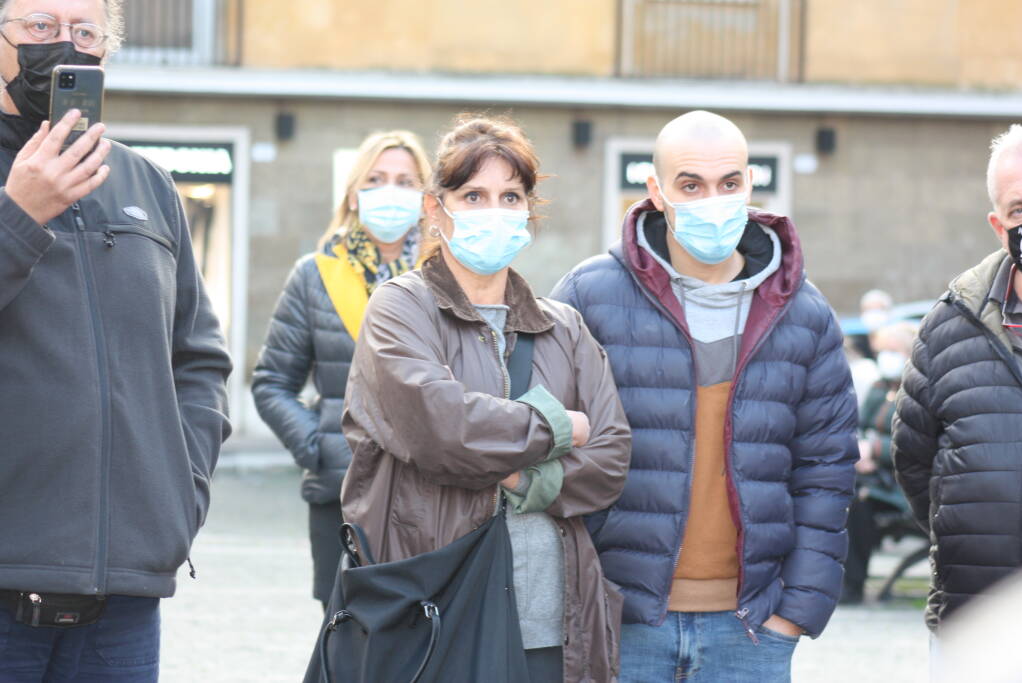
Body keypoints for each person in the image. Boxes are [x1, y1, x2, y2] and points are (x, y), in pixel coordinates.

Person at [552, 110, 858, 682]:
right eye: (690, 185)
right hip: (622, 622)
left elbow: (827, 469)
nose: (712, 200)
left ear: (749, 185)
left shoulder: (805, 314)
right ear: (657, 192)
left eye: (729, 183)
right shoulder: (587, 297)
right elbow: (553, 454)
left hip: (750, 632)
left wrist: (794, 614)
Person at [338, 115, 631, 681]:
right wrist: (557, 425)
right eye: (473, 195)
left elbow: (612, 457)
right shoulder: (400, 309)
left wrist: (522, 477)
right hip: (437, 615)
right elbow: (441, 429)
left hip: (553, 621)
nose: (493, 210)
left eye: (509, 196)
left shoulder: (563, 327)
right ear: (435, 208)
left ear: (528, 210)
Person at [0, 1, 232, 680]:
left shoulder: (146, 183)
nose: (64, 46)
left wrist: (177, 495)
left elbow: (198, 356)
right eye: (40, 27)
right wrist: (18, 216)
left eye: (84, 32)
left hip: (121, 603)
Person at [252, 130, 432, 609]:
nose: (390, 191)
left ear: (426, 198)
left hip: (432, 494)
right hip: (341, 495)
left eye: (405, 180)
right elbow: (272, 383)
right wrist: (319, 448)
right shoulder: (315, 275)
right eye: (376, 179)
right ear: (354, 194)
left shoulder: (447, 277)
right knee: (345, 639)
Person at [893, 123, 1022, 640]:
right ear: (998, 225)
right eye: (1019, 210)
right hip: (979, 626)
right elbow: (914, 461)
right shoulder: (952, 324)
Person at [842, 321, 918, 605]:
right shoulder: (880, 386)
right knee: (838, 492)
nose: (886, 356)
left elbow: (918, 441)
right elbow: (858, 423)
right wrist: (859, 451)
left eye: (892, 350)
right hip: (871, 474)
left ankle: (852, 586)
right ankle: (841, 582)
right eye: (882, 350)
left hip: (903, 483)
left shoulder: (921, 388)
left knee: (856, 503)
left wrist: (875, 449)